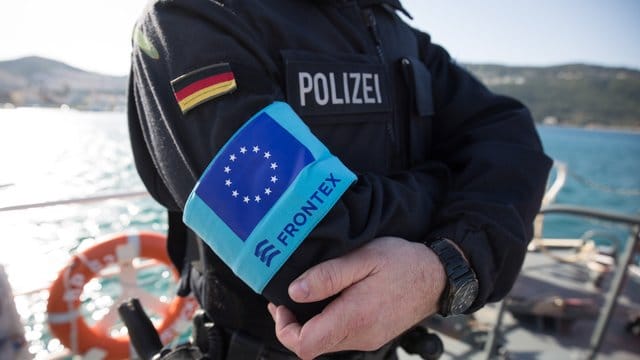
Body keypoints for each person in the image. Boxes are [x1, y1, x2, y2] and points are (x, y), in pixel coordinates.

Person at [127, 0, 552, 359]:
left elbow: (514, 140)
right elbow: (307, 259)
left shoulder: (397, 33)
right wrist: (450, 185)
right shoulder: (197, 18)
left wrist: (448, 263)